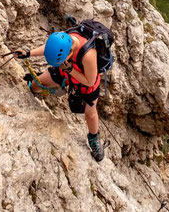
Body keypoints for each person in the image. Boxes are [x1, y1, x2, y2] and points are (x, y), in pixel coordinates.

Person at [16, 30, 105, 161]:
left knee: (90, 113)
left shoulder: (88, 55)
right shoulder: (64, 40)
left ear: (68, 55)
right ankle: (33, 90)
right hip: (65, 69)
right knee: (38, 83)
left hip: (85, 81)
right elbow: (48, 49)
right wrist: (29, 53)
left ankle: (94, 139)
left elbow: (89, 81)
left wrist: (70, 70)